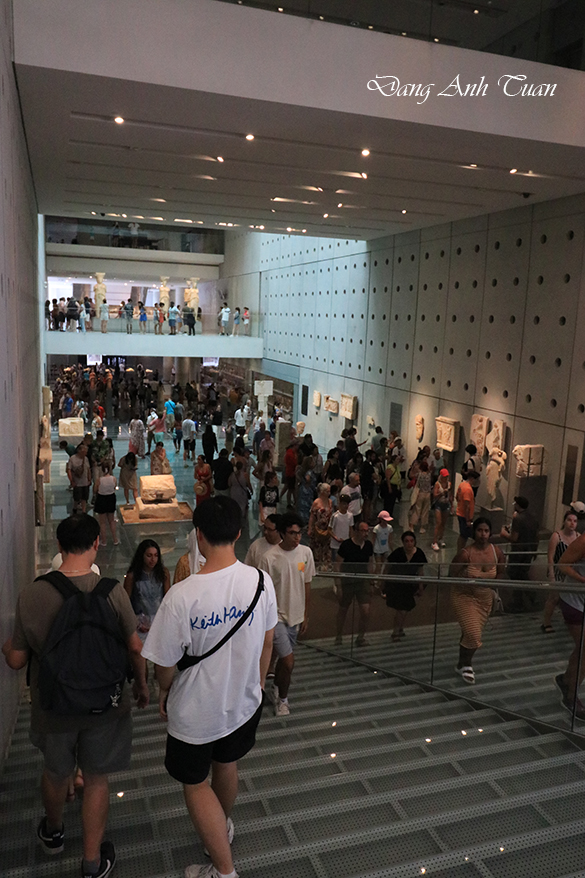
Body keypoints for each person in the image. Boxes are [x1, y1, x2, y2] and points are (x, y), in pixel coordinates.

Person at [2, 514, 148, 878]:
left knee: (55, 772)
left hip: (54, 706)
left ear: (58, 544)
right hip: (105, 704)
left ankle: (53, 833)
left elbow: (17, 660)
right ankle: (92, 863)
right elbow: (134, 647)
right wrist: (142, 686)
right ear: (97, 543)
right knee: (96, 778)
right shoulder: (112, 591)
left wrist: (8, 647)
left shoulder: (32, 594)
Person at [141, 497, 277, 878]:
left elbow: (164, 666)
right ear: (239, 533)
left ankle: (224, 869)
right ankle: (219, 829)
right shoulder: (260, 582)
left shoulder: (182, 596)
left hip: (196, 712)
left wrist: (164, 691)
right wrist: (257, 686)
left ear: (198, 535)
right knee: (227, 763)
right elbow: (268, 643)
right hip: (243, 704)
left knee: (195, 783)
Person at [259, 512, 314, 716]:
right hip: (276, 618)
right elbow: (262, 592)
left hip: (296, 617)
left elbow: (307, 584)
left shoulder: (306, 553)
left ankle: (277, 687)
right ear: (282, 533)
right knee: (289, 661)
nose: (297, 537)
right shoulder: (269, 558)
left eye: (299, 533)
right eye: (292, 533)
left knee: (284, 661)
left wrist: (306, 614)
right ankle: (283, 699)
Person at [450, 518, 506, 684]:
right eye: (480, 530)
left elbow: (501, 572)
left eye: (486, 531)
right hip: (464, 595)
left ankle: (461, 664)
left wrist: (492, 584)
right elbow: (451, 574)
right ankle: (467, 664)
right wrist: (468, 581)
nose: (483, 534)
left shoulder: (497, 552)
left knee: (468, 632)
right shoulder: (465, 553)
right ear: (474, 532)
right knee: (473, 633)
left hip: (484, 598)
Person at [555, 534, 585, 719]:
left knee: (583, 649)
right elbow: (562, 564)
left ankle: (566, 679)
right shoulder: (583, 541)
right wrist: (581, 579)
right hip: (574, 601)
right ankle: (570, 696)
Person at [334, 520, 375, 647]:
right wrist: (338, 585)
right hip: (348, 581)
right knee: (343, 609)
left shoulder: (368, 545)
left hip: (362, 581)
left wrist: (371, 582)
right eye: (363, 531)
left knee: (365, 611)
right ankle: (338, 635)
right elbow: (337, 565)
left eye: (367, 531)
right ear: (356, 531)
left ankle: (360, 637)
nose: (365, 533)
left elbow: (370, 563)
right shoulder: (346, 545)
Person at [124, 540, 170, 642]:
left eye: (156, 556)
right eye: (149, 555)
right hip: (140, 623)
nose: (153, 559)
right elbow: (125, 603)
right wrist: (136, 622)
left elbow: (167, 598)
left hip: (159, 620)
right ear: (142, 556)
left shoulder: (163, 573)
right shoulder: (132, 576)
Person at [384, 531, 427, 642]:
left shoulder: (419, 553)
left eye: (411, 541)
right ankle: (396, 631)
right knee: (401, 609)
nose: (409, 543)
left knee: (404, 608)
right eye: (406, 541)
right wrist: (383, 582)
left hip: (409, 585)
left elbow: (420, 571)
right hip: (396, 584)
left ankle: (399, 628)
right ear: (403, 542)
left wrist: (420, 587)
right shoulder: (398, 553)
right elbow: (387, 567)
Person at [500, 495, 540, 612]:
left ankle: (519, 601)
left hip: (518, 551)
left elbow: (514, 538)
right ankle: (530, 595)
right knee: (522, 573)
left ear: (517, 505)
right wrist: (535, 550)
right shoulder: (533, 517)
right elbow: (536, 535)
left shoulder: (518, 519)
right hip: (529, 550)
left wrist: (503, 533)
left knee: (514, 574)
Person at [542, 510, 579, 633]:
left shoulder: (578, 537)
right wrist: (552, 575)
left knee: (570, 598)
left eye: (575, 521)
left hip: (571, 572)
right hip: (558, 572)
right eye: (569, 520)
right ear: (564, 521)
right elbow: (550, 557)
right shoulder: (556, 536)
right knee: (554, 598)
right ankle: (546, 622)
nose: (572, 523)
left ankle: (568, 619)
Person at [308, 482, 333, 570]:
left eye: (329, 491)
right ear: (322, 492)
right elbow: (312, 516)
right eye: (327, 491)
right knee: (317, 547)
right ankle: (316, 565)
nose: (329, 493)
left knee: (326, 547)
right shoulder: (316, 502)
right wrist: (310, 528)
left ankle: (325, 565)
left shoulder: (330, 502)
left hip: (327, 528)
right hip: (317, 527)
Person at [94, 464, 120, 547]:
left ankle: (104, 541)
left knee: (102, 522)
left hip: (101, 499)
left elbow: (95, 490)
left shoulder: (99, 480)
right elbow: (115, 487)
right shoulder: (113, 479)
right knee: (111, 520)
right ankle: (115, 539)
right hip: (111, 498)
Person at [328, 493, 354, 564]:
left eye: (347, 504)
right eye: (344, 504)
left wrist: (351, 541)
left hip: (346, 543)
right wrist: (336, 538)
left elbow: (351, 529)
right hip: (336, 544)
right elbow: (329, 529)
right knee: (336, 563)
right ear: (340, 504)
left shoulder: (350, 516)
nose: (346, 506)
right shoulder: (335, 516)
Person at [431, 468, 453, 551]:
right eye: (444, 477)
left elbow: (450, 495)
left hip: (446, 504)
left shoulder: (449, 484)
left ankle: (441, 538)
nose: (445, 478)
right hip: (439, 504)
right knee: (438, 523)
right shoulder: (437, 484)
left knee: (443, 523)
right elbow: (434, 495)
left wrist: (451, 504)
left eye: (446, 476)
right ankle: (434, 541)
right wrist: (441, 493)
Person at [408, 459, 432, 534]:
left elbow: (411, 476)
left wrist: (413, 468)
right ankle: (422, 527)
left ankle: (412, 526)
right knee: (425, 511)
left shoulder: (419, 474)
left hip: (420, 493)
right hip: (427, 494)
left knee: (417, 510)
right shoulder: (429, 475)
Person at [455, 469, 476, 551]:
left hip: (460, 512)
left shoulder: (462, 485)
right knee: (464, 536)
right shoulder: (468, 489)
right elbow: (467, 506)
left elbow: (457, 497)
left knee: (463, 535)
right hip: (464, 516)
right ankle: (460, 551)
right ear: (472, 478)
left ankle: (460, 550)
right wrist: (468, 520)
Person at [67, 443, 91, 513]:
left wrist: (89, 478)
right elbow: (69, 470)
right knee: (76, 497)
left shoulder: (86, 459)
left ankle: (83, 510)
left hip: (85, 481)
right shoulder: (72, 458)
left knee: (84, 497)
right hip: (77, 482)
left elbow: (88, 469)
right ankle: (75, 508)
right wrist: (71, 481)